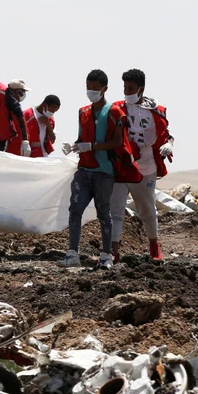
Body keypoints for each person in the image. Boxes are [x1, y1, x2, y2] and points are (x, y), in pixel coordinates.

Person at [60, 69, 142, 269]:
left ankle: (106, 256)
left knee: (103, 212)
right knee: (75, 209)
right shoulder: (83, 112)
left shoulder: (114, 113)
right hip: (84, 168)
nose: (91, 91)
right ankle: (72, 254)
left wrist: (93, 146)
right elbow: (82, 139)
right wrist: (74, 146)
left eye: (95, 88)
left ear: (105, 89)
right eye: (88, 88)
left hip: (104, 171)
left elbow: (117, 141)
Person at [110, 68, 175, 263]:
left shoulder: (157, 111)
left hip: (146, 166)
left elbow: (167, 134)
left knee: (147, 208)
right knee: (116, 209)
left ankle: (154, 247)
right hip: (122, 165)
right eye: (124, 88)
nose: (127, 92)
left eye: (131, 88)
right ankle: (113, 250)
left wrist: (168, 144)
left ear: (141, 88)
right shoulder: (116, 108)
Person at [14, 93, 60, 157]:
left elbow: (52, 141)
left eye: (55, 111)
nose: (52, 113)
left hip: (43, 157)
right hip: (28, 156)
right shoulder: (27, 115)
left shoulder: (50, 119)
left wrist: (48, 125)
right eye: (52, 110)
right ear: (45, 105)